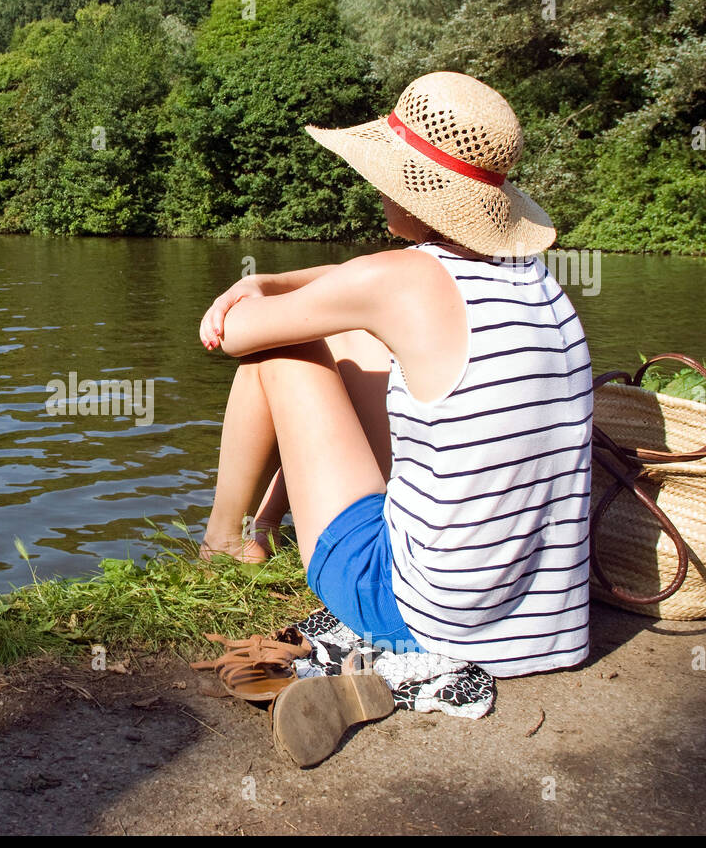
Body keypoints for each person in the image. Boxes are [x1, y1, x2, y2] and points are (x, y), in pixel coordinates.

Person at [198, 71, 591, 697]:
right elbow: (366, 282)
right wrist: (275, 278)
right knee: (353, 336)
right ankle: (264, 528)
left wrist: (254, 293)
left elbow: (236, 335)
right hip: (548, 626)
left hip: (417, 616)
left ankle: (223, 540)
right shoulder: (539, 282)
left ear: (410, 190)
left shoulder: (400, 282)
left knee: (282, 349)